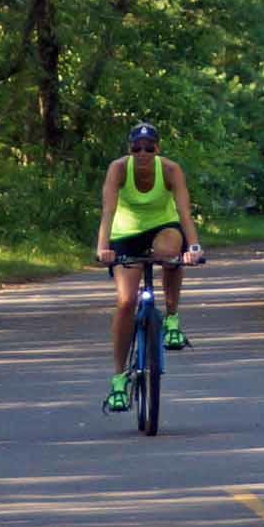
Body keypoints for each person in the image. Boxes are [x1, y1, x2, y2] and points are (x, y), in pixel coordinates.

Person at [95, 121, 203, 412]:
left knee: (171, 254)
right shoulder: (118, 169)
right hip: (124, 235)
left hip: (162, 228)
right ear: (129, 150)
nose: (142, 153)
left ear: (158, 149)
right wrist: (102, 248)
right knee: (126, 301)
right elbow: (108, 210)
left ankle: (171, 320)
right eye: (136, 148)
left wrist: (193, 247)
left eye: (148, 148)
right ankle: (119, 380)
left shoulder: (170, 170)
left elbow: (183, 211)